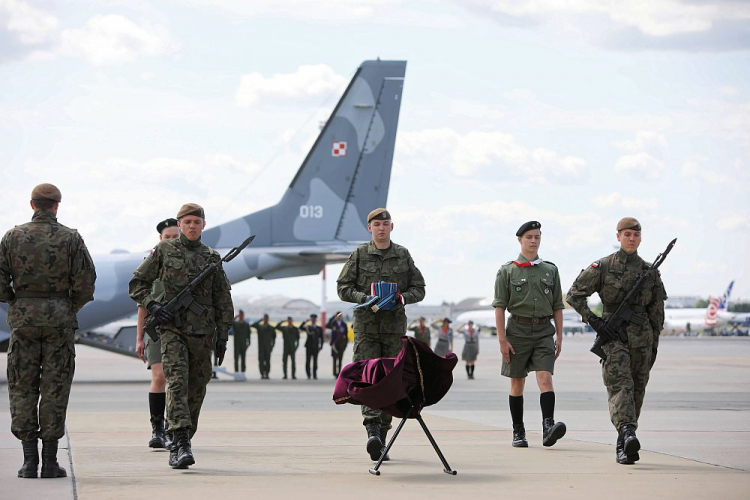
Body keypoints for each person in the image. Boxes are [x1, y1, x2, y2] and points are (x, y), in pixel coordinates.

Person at [0, 183, 96, 479]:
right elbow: (86, 281)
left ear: (32, 205)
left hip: (24, 320)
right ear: (56, 206)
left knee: (22, 385)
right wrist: (67, 307)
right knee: (55, 387)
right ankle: (51, 462)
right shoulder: (71, 238)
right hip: (59, 321)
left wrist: (17, 303)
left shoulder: (13, 237)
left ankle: (29, 462)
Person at [129, 203, 233, 469]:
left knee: (197, 387)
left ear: (203, 225)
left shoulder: (212, 257)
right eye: (187, 222)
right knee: (176, 381)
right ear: (180, 223)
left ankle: (184, 436)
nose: (191, 226)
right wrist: (153, 305)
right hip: (172, 329)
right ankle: (180, 441)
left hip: (202, 333)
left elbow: (222, 298)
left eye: (196, 222)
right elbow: (137, 284)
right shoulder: (164, 250)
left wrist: (223, 334)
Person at [566, 217, 667, 465]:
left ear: (640, 238)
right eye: (627, 234)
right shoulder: (603, 266)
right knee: (621, 387)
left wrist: (654, 344)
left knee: (638, 391)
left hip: (642, 339)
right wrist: (594, 320)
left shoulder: (649, 271)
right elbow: (574, 295)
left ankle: (624, 444)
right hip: (614, 337)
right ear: (618, 237)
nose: (631, 239)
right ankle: (627, 432)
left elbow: (657, 310)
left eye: (636, 235)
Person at [337, 207, 426, 461]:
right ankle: (372, 430)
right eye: (376, 224)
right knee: (368, 379)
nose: (381, 228)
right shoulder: (360, 254)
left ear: (391, 227)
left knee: (390, 381)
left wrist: (402, 298)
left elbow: (419, 288)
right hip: (366, 329)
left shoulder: (402, 255)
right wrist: (363, 298)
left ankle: (382, 437)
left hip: (393, 330)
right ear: (370, 228)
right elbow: (343, 287)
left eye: (385, 224)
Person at [492, 221, 566, 449]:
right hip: (517, 332)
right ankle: (518, 431)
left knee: (545, 378)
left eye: (537, 237)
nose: (534, 241)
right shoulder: (507, 270)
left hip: (544, 331)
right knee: (517, 383)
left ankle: (548, 427)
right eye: (530, 237)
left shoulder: (550, 270)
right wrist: (502, 340)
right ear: (520, 240)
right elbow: (499, 306)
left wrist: (560, 337)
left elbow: (557, 306)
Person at [135, 217, 179, 450]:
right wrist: (139, 337)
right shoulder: (151, 264)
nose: (171, 241)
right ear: (160, 240)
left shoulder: (191, 261)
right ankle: (157, 429)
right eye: (167, 237)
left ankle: (176, 430)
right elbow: (142, 302)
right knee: (160, 377)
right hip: (155, 327)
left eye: (176, 237)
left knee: (178, 380)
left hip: (182, 326)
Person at [252, 314, 276, 379]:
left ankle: (267, 373)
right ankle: (262, 373)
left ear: (268, 319)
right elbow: (253, 325)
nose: (265, 320)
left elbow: (274, 338)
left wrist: (272, 346)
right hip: (261, 347)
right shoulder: (260, 327)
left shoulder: (271, 328)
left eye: (266, 318)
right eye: (264, 318)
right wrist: (260, 320)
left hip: (268, 347)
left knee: (267, 361)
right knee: (261, 361)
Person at [301, 314, 323, 379]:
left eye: (314, 319)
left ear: (316, 320)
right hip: (309, 346)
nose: (313, 320)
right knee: (308, 361)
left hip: (316, 347)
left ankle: (315, 374)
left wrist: (321, 346)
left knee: (315, 361)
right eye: (312, 319)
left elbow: (321, 338)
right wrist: (305, 322)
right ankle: (308, 374)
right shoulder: (308, 327)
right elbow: (300, 327)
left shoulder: (319, 328)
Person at [327, 312, 349, 377]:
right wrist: (332, 318)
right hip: (334, 344)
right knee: (334, 358)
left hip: (341, 344)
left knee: (340, 358)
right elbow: (327, 325)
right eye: (338, 316)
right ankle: (334, 373)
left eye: (341, 316)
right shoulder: (333, 323)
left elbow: (346, 335)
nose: (339, 317)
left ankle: (339, 372)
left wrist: (345, 344)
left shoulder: (344, 324)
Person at [232, 310, 251, 375]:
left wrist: (248, 343)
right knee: (236, 358)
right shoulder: (236, 324)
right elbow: (231, 322)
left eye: (242, 315)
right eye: (240, 315)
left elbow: (248, 334)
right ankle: (236, 372)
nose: (241, 316)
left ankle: (243, 372)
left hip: (243, 344)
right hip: (237, 344)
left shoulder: (246, 324)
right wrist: (235, 317)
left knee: (243, 359)